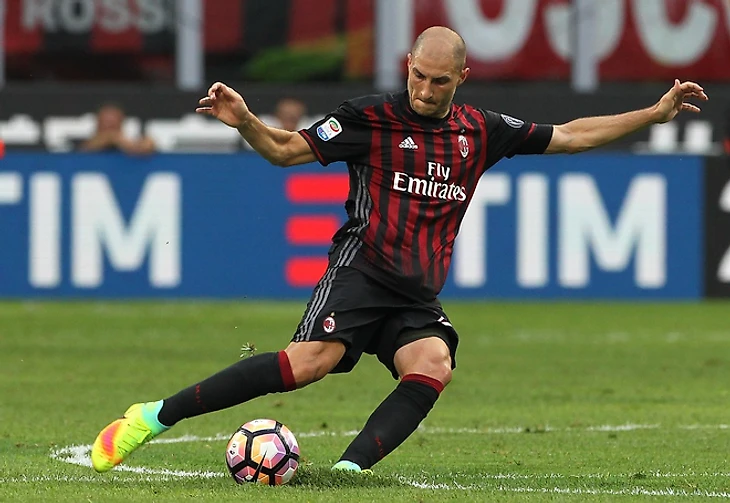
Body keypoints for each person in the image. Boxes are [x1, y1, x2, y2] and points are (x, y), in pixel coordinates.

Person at [90, 26, 708, 474]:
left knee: (432, 363)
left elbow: (571, 136)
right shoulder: (370, 119)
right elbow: (284, 151)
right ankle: (152, 416)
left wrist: (653, 113)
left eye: (440, 81)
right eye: (418, 74)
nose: (425, 89)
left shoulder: (479, 131)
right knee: (309, 365)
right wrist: (248, 121)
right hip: (361, 273)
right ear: (407, 63)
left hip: (415, 293)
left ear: (461, 79)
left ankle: (350, 473)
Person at [79, 104, 156, 155]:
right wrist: (108, 138)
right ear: (98, 123)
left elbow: (148, 145)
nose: (109, 127)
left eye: (113, 123)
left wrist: (123, 143)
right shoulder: (84, 144)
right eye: (105, 122)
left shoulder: (131, 142)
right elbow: (81, 152)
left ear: (121, 123)